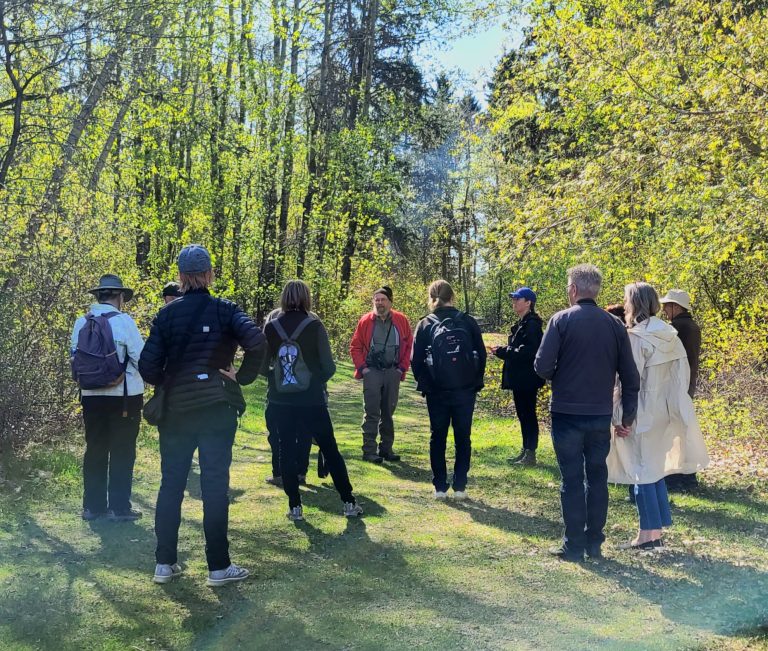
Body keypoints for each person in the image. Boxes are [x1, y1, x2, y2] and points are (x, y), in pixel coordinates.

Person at [139, 244, 266, 587]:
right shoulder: (226, 310)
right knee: (214, 487)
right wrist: (243, 375)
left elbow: (147, 366)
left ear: (181, 278)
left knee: (171, 486)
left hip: (177, 413)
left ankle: (164, 564)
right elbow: (257, 342)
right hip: (216, 410)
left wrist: (172, 379)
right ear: (210, 275)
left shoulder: (165, 316)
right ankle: (218, 568)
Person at [534, 264, 640, 562]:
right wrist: (626, 417)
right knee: (597, 476)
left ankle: (574, 545)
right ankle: (594, 542)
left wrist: (561, 375)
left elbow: (542, 366)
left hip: (567, 411)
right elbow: (631, 377)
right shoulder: (615, 325)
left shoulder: (560, 321)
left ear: (573, 290)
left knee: (571, 478)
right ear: (596, 291)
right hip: (599, 414)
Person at [608, 283, 710, 549]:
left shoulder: (637, 337)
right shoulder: (670, 334)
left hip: (641, 411)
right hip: (664, 410)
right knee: (654, 468)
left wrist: (621, 417)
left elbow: (629, 383)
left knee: (639, 469)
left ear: (634, 304)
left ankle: (647, 534)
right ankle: (656, 530)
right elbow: (681, 377)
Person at [263, 279, 363, 522]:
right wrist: (314, 381)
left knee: (286, 451)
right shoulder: (314, 325)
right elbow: (328, 367)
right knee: (330, 448)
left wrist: (276, 380)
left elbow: (261, 366)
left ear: (284, 298)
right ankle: (348, 502)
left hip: (280, 400)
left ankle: (295, 507)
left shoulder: (271, 327)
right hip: (312, 400)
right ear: (307, 298)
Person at [70, 274, 145, 522]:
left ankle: (93, 507)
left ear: (99, 296)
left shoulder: (81, 322)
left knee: (95, 449)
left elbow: (75, 359)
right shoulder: (124, 322)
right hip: (123, 397)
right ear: (119, 296)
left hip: (90, 396)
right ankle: (119, 507)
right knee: (123, 450)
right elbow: (140, 358)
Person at [411, 280, 486, 499]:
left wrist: (427, 384)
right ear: (452, 297)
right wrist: (474, 381)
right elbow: (480, 355)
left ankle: (440, 487)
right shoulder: (468, 321)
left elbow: (416, 361)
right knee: (463, 437)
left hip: (437, 392)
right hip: (465, 390)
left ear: (431, 298)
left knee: (438, 436)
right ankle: (460, 486)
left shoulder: (425, 324)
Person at [350, 286, 413, 463]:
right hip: (372, 371)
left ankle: (386, 449)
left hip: (393, 371)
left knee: (388, 411)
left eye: (383, 299)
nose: (379, 303)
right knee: (371, 412)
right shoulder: (365, 321)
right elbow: (355, 346)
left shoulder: (401, 320)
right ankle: (369, 451)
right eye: (376, 300)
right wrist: (363, 369)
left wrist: (401, 368)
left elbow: (409, 345)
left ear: (390, 302)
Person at [491, 287, 545, 466]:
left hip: (527, 378)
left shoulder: (532, 325)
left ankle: (530, 453)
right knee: (523, 414)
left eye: (517, 299)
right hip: (521, 378)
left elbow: (529, 352)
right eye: (513, 298)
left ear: (528, 302)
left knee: (528, 414)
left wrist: (503, 351)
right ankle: (525, 450)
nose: (514, 302)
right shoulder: (523, 323)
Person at [262, 307, 313, 487]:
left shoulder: (272, 320)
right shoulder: (314, 322)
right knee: (304, 432)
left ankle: (279, 473)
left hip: (278, 391)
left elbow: (263, 359)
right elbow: (325, 364)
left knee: (277, 432)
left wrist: (271, 375)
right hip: (306, 391)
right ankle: (300, 472)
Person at [659, 289, 702, 492]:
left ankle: (676, 477)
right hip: (687, 385)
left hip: (676, 386)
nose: (664, 309)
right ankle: (687, 476)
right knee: (682, 430)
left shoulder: (677, 327)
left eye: (667, 306)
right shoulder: (692, 326)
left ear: (676, 307)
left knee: (672, 432)